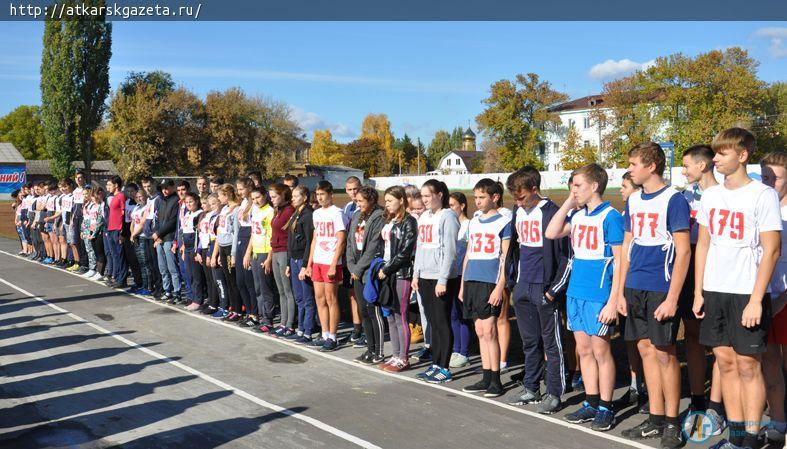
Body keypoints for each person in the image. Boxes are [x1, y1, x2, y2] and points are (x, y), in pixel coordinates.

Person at [694, 128, 781, 449]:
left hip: (747, 292)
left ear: (742, 156)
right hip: (715, 291)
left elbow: (772, 249)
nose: (715, 158)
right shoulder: (712, 195)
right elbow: (703, 243)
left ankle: (752, 438)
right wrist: (699, 291)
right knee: (725, 363)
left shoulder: (762, 195)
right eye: (715, 153)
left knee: (748, 365)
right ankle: (737, 435)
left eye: (722, 153)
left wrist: (757, 300)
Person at [617, 142, 691, 449]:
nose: (630, 169)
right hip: (635, 286)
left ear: (651, 166)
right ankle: (656, 417)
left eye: (634, 164)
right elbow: (626, 248)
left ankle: (672, 423)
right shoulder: (633, 201)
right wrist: (620, 292)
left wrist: (673, 298)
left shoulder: (674, 200)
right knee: (646, 349)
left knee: (664, 352)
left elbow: (684, 251)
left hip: (661, 287)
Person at [545, 163, 623, 432]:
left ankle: (605, 405)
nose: (574, 190)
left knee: (601, 350)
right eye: (571, 187)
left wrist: (614, 300)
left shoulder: (611, 217)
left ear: (595, 186)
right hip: (576, 292)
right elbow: (551, 232)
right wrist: (568, 201)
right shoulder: (577, 216)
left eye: (578, 186)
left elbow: (621, 261)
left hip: (599, 293)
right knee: (584, 349)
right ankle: (590, 402)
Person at [504, 166, 571, 414]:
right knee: (530, 342)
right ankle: (531, 387)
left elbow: (566, 255)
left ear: (534, 189)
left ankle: (554, 393)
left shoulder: (552, 212)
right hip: (522, 286)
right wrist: (513, 280)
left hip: (544, 288)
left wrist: (553, 290)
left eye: (521, 197)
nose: (517, 202)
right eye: (514, 197)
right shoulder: (518, 211)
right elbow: (514, 247)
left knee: (551, 344)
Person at [681, 144, 726, 435]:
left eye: (687, 166)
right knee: (694, 336)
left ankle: (717, 404)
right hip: (691, 267)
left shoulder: (724, 192)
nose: (683, 171)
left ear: (703, 166)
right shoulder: (684, 197)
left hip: (720, 268)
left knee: (721, 343)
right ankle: (698, 397)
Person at [458, 179, 511, 397]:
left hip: (489, 282)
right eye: (476, 197)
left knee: (490, 331)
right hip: (471, 280)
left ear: (495, 197)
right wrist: (462, 284)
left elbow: (506, 257)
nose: (477, 202)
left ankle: (496, 380)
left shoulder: (504, 221)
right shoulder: (475, 221)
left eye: (481, 197)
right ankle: (486, 376)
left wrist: (500, 287)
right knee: (480, 331)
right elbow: (469, 253)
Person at [412, 179, 460, 384]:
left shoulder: (447, 216)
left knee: (442, 322)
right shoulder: (424, 217)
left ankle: (444, 367)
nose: (424, 200)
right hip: (425, 276)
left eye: (427, 196)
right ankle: (435, 363)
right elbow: (420, 248)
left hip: (442, 278)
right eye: (422, 196)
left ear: (440, 194)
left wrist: (443, 279)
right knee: (432, 321)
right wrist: (416, 275)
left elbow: (450, 251)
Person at [759, 150, 787, 447]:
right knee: (768, 362)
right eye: (764, 177)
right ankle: (777, 421)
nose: (769, 183)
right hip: (764, 294)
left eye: (775, 178)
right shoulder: (760, 206)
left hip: (785, 296)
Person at [617, 171, 648, 414]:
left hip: (644, 284)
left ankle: (647, 388)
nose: (621, 190)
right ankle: (635, 384)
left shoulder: (645, 213)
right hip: (626, 284)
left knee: (646, 342)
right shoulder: (625, 214)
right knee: (630, 339)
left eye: (625, 186)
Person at [378, 185, 417, 372]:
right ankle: (395, 355)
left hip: (401, 273)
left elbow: (405, 252)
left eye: (390, 200)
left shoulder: (410, 222)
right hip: (387, 272)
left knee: (400, 316)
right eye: (385, 201)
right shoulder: (392, 221)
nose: (387, 205)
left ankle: (404, 357)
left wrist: (387, 268)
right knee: (391, 317)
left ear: (401, 200)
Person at [305, 181, 347, 352]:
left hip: (331, 261)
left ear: (330, 194)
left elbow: (341, 240)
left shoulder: (337, 213)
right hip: (318, 261)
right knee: (319, 298)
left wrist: (333, 264)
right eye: (318, 194)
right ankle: (324, 333)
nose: (320, 197)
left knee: (331, 299)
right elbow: (315, 239)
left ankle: (333, 336)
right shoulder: (316, 214)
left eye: (323, 194)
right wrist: (309, 263)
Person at [347, 186, 386, 364]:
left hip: (368, 271)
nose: (358, 203)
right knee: (363, 311)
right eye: (357, 201)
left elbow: (373, 246)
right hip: (356, 272)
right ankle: (369, 350)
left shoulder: (379, 217)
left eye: (361, 201)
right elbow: (350, 242)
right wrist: (351, 266)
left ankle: (378, 351)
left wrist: (359, 268)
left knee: (372, 311)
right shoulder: (357, 215)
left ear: (371, 200)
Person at [286, 185, 316, 344]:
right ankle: (301, 328)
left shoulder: (308, 215)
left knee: (307, 297)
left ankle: (308, 331)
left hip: (303, 261)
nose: (293, 199)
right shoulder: (295, 214)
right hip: (294, 259)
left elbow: (309, 242)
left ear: (305, 198)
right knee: (299, 297)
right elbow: (291, 240)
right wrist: (288, 263)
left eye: (296, 196)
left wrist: (306, 265)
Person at [268, 183, 296, 337]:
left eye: (274, 197)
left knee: (288, 290)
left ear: (283, 195)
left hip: (285, 252)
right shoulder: (277, 211)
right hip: (276, 251)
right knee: (281, 291)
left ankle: (290, 324)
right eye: (270, 197)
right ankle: (283, 322)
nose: (271, 200)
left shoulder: (289, 211)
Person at [448, 192, 472, 369]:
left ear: (462, 206)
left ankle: (464, 352)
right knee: (452, 314)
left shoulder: (469, 225)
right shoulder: (450, 223)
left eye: (453, 205)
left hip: (463, 275)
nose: (450, 209)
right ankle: (455, 349)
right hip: (450, 274)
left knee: (463, 315)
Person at [211, 183, 241, 320]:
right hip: (222, 246)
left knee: (233, 279)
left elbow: (235, 233)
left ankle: (238, 309)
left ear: (227, 195)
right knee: (228, 280)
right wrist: (217, 254)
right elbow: (219, 231)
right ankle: (232, 307)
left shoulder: (236, 210)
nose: (218, 198)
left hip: (230, 246)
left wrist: (233, 253)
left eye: (220, 195)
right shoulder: (224, 210)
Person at [152, 179, 182, 302]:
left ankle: (177, 292)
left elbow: (172, 221)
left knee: (172, 267)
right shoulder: (159, 201)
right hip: (160, 239)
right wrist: (157, 235)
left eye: (167, 187)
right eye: (162, 187)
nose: (165, 190)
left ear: (172, 187)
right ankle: (167, 290)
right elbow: (156, 219)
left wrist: (159, 233)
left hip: (169, 237)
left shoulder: (175, 201)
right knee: (162, 267)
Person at [343, 176, 365, 345]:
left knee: (365, 296)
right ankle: (357, 327)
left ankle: (366, 328)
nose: (353, 192)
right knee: (352, 295)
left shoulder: (366, 207)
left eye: (355, 189)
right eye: (349, 190)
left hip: (363, 259)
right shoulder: (347, 208)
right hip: (350, 258)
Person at [232, 178, 257, 320]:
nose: (239, 192)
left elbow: (254, 228)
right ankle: (248, 311)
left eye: (241, 189)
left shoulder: (254, 204)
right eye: (238, 189)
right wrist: (234, 253)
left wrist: (249, 251)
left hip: (249, 239)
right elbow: (238, 227)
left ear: (249, 187)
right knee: (240, 281)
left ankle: (254, 314)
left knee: (249, 281)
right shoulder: (243, 203)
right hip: (241, 238)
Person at [180, 192, 207, 311]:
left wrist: (197, 251)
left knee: (197, 276)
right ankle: (194, 297)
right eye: (187, 202)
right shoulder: (187, 214)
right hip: (187, 245)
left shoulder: (199, 214)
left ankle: (198, 300)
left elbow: (198, 234)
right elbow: (183, 231)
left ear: (197, 201)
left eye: (191, 201)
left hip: (194, 245)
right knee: (189, 274)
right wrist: (183, 247)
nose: (189, 204)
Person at [198, 194, 223, 316]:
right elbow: (202, 234)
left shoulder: (217, 215)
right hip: (204, 247)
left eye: (213, 203)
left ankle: (216, 303)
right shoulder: (207, 216)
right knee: (208, 278)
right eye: (209, 203)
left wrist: (210, 253)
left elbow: (213, 236)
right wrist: (199, 251)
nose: (209, 206)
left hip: (211, 247)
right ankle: (211, 301)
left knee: (215, 279)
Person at [141, 176, 163, 299]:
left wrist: (158, 234)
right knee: (150, 262)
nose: (147, 189)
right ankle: (155, 286)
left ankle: (160, 288)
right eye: (144, 187)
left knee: (156, 263)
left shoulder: (158, 199)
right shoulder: (149, 199)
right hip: (148, 235)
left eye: (149, 186)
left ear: (154, 184)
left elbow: (159, 218)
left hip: (154, 235)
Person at [129, 189, 153, 296]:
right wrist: (132, 234)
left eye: (141, 196)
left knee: (145, 264)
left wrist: (134, 234)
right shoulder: (136, 207)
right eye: (137, 196)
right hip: (135, 237)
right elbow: (133, 223)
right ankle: (143, 285)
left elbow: (143, 224)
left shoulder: (146, 208)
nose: (139, 198)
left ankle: (149, 286)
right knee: (140, 264)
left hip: (142, 237)